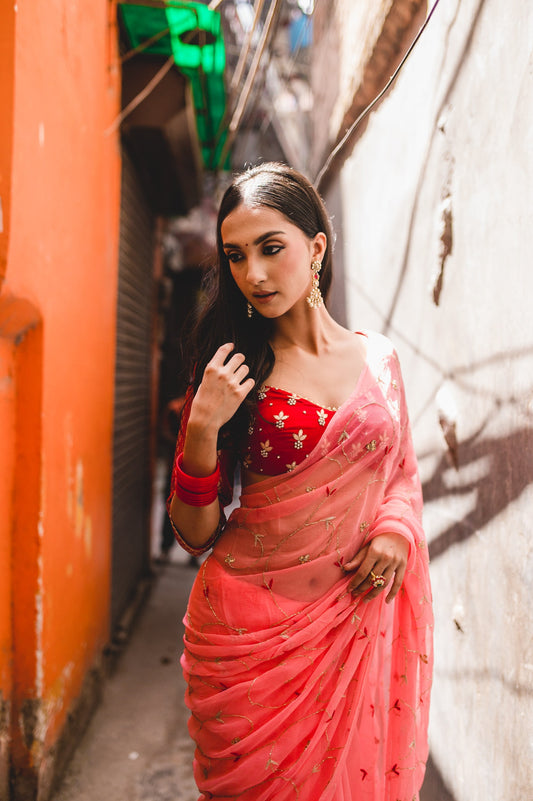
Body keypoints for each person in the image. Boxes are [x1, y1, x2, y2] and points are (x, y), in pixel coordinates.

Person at [167, 162, 433, 801]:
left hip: (350, 625)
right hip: (248, 639)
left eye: (271, 248)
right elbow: (194, 534)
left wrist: (396, 529)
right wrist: (203, 429)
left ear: (316, 247)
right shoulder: (232, 369)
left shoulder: (381, 359)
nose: (253, 274)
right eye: (235, 256)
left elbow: (400, 468)